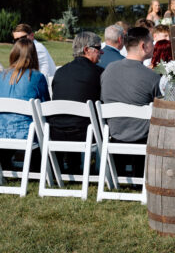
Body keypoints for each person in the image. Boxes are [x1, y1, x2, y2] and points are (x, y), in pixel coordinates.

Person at [100, 28, 162, 175]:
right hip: (142, 135)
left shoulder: (108, 70)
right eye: (151, 42)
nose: (153, 46)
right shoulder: (152, 77)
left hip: (115, 132)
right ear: (143, 46)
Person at [49, 31, 103, 143]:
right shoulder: (98, 73)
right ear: (87, 50)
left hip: (56, 131)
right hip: (84, 133)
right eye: (98, 48)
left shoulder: (60, 71)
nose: (102, 52)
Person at [0, 38, 50, 139]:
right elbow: (45, 108)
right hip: (27, 133)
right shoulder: (37, 77)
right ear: (34, 56)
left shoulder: (2, 76)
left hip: (2, 131)